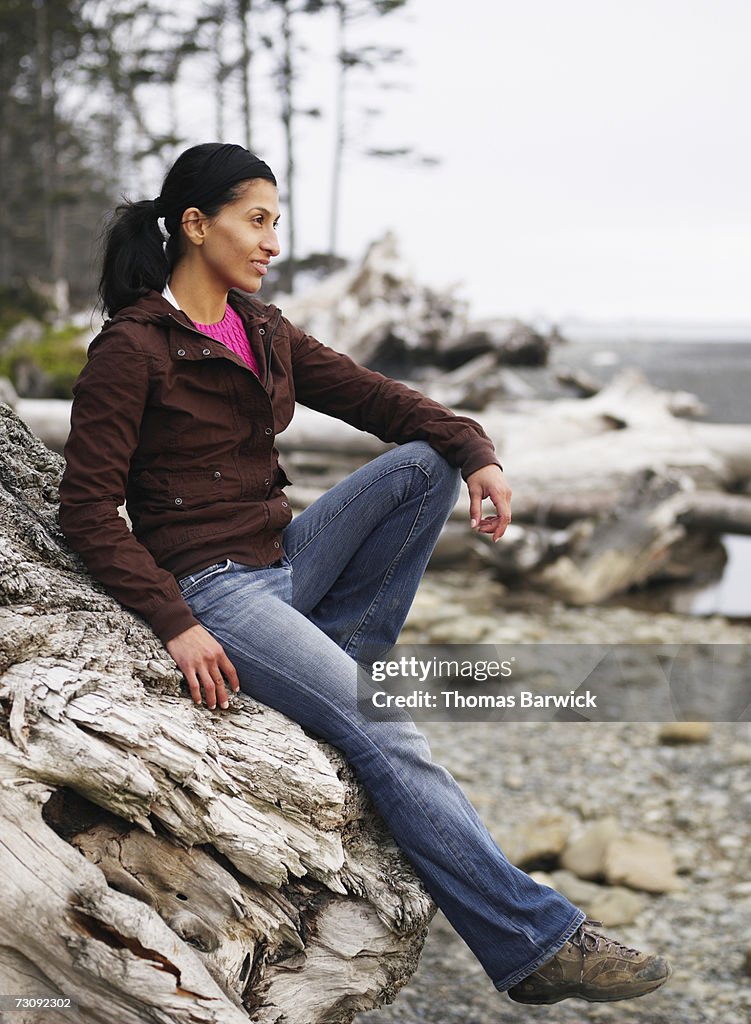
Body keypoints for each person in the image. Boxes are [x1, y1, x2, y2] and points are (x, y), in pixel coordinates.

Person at [58, 142, 671, 1007]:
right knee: (391, 729)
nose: (272, 242)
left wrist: (477, 455)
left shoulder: (260, 329)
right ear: (195, 226)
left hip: (287, 566)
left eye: (278, 222)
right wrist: (176, 620)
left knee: (424, 463)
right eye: (256, 220)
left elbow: (378, 397)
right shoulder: (132, 349)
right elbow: (85, 511)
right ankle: (536, 946)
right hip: (215, 589)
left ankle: (339, 666)